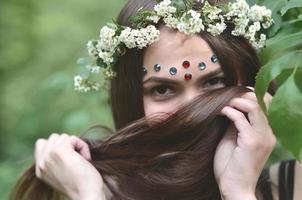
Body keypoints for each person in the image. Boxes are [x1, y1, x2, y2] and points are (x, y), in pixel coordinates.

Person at [10, 0, 301, 200]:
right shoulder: (79, 185)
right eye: (162, 89)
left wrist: (237, 191)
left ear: (252, 85)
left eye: (214, 82)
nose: (190, 112)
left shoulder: (293, 186)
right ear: (133, 100)